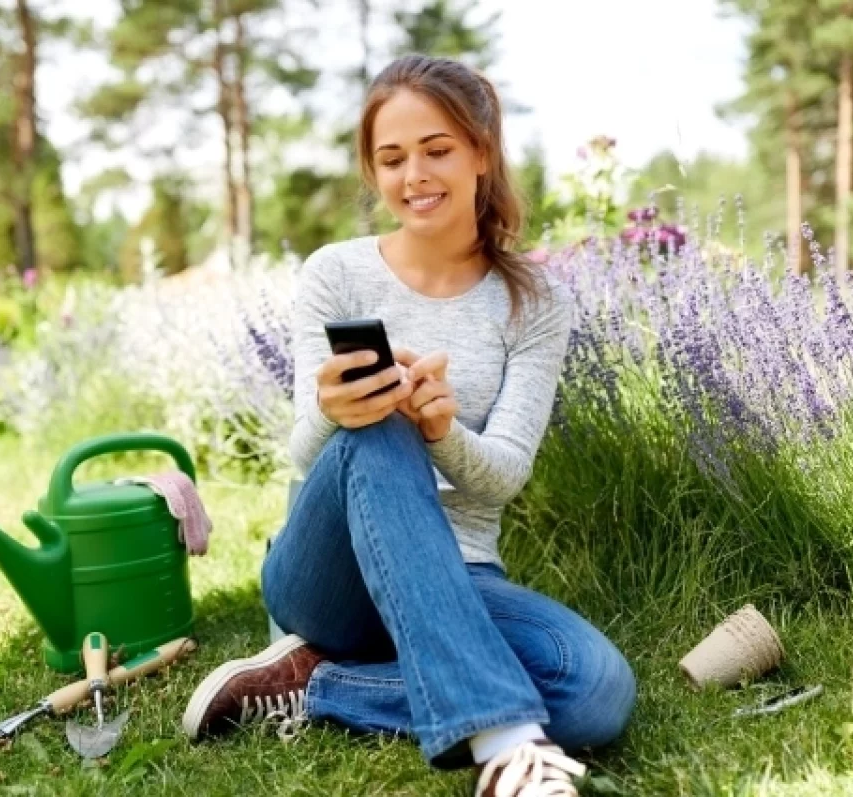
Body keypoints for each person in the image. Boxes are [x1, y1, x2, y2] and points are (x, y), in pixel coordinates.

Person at [180, 53, 637, 797]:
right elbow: (302, 452)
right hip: (326, 578)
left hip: (459, 575)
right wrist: (340, 412)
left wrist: (443, 432)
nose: (414, 175)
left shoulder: (535, 302)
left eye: (437, 150)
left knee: (593, 690)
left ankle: (317, 685)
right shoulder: (337, 273)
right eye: (392, 159)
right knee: (376, 423)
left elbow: (506, 474)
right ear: (373, 171)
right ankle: (508, 742)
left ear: (481, 152)